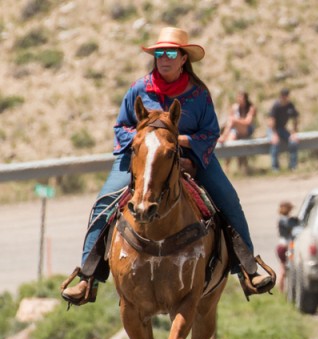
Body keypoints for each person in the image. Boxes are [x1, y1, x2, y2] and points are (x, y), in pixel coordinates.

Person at [60, 27, 273, 306]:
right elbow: (121, 127)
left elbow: (210, 134)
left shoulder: (199, 94)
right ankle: (88, 277)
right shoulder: (139, 88)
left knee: (228, 200)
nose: (164, 58)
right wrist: (148, 141)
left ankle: (247, 269)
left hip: (190, 157)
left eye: (171, 52)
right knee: (104, 204)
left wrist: (179, 143)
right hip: (141, 157)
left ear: (184, 58)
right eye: (159, 52)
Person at [219, 90, 257, 174]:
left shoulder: (251, 107)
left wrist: (236, 121)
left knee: (232, 121)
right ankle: (226, 167)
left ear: (245, 98)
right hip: (236, 130)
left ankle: (223, 136)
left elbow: (248, 122)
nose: (239, 99)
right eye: (238, 97)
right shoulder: (235, 107)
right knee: (230, 141)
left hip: (246, 130)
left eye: (241, 97)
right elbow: (230, 122)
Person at [268, 88, 299, 171]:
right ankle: (275, 168)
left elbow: (295, 119)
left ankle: (293, 166)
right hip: (273, 129)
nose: (284, 98)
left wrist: (294, 132)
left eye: (286, 96)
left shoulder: (290, 106)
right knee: (275, 143)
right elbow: (271, 122)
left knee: (293, 142)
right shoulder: (276, 106)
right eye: (283, 96)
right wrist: (274, 134)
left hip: (282, 129)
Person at [276, 200, 298, 292]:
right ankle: (281, 290)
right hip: (285, 247)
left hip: (281, 246)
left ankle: (281, 291)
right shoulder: (285, 220)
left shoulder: (282, 219)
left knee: (283, 269)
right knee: (284, 270)